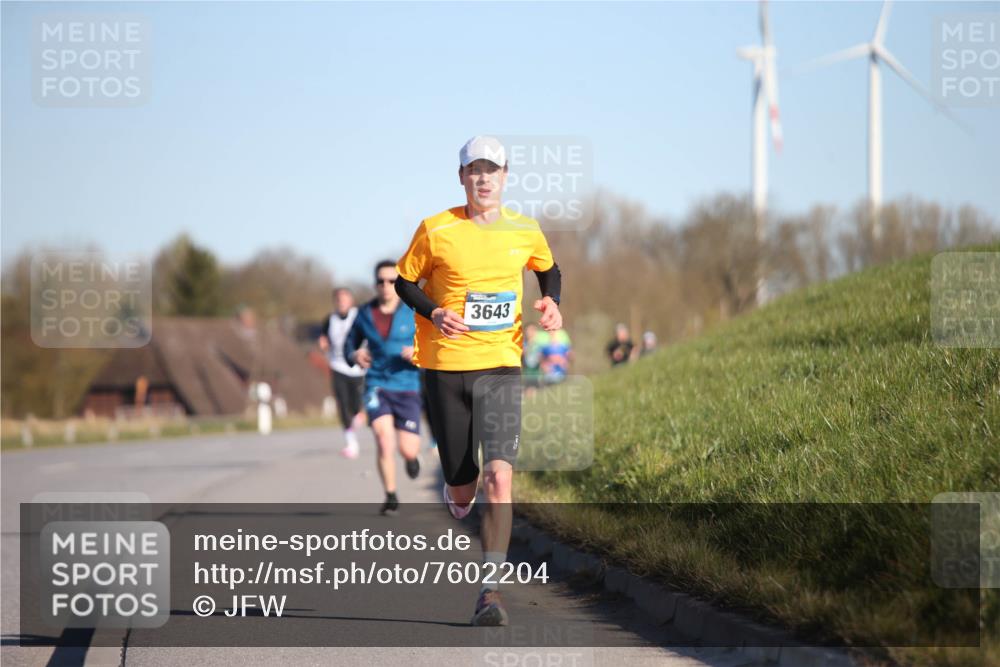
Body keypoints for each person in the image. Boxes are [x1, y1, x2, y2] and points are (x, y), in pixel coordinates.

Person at [394, 135, 563, 626]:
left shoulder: (525, 230)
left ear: (506, 176)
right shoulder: (437, 229)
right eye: (475, 170)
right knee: (465, 488)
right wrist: (436, 311)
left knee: (500, 477)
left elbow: (550, 270)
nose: (484, 178)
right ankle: (456, 488)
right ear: (462, 176)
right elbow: (405, 281)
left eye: (492, 170)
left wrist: (552, 301)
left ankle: (490, 591)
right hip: (445, 368)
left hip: (501, 365)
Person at [343, 261, 422, 516]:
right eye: (381, 281)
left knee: (407, 448)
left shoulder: (413, 310)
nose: (386, 286)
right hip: (377, 384)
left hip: (408, 385)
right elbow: (349, 345)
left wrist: (418, 352)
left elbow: (433, 341)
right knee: (383, 439)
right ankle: (390, 495)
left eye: (391, 281)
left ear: (398, 284)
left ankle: (411, 459)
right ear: (375, 284)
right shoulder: (364, 313)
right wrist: (355, 355)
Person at [318, 288, 366, 458]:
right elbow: (323, 337)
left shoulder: (359, 316)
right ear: (335, 302)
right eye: (338, 300)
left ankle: (359, 414)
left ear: (351, 300)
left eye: (345, 299)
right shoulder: (329, 320)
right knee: (343, 405)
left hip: (358, 367)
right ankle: (351, 444)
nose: (342, 303)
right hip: (338, 366)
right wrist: (323, 343)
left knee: (356, 406)